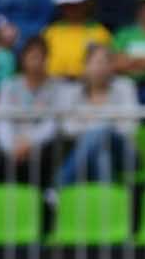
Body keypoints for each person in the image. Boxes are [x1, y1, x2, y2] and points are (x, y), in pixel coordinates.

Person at [0, 36, 72, 187]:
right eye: (32, 56)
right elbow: (2, 120)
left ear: (47, 59)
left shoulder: (58, 87)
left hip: (40, 145)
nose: (37, 61)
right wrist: (12, 146)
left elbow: (54, 123)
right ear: (23, 59)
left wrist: (30, 142)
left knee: (54, 145)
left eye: (41, 57)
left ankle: (44, 202)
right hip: (12, 145)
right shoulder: (9, 86)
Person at [55, 42, 138, 187]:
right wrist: (105, 124)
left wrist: (93, 124)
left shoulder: (125, 87)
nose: (101, 67)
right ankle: (106, 204)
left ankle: (60, 185)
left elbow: (130, 126)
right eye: (96, 62)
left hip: (124, 152)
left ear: (112, 66)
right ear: (85, 66)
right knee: (102, 154)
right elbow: (68, 127)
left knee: (103, 131)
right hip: (89, 151)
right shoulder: (72, 92)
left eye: (106, 62)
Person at [42, 0, 114, 79]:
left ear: (87, 3)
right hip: (54, 87)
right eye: (67, 5)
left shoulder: (100, 33)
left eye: (76, 4)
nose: (72, 9)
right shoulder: (50, 33)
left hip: (87, 88)